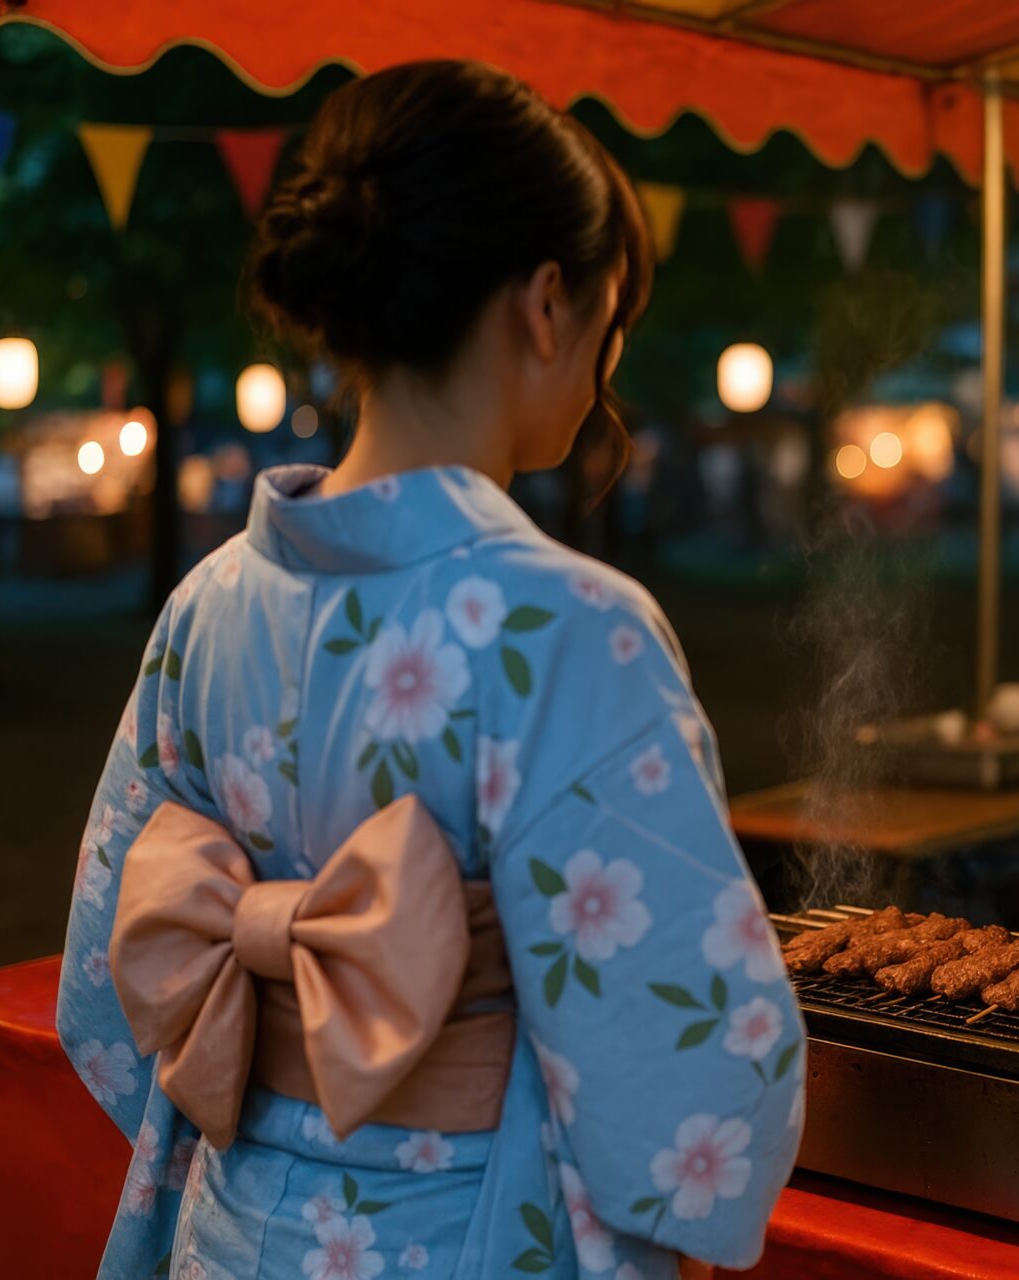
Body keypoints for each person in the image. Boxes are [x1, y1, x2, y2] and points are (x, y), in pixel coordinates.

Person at [58, 61, 802, 1279]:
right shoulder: (570, 629)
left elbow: (110, 981)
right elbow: (694, 1075)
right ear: (549, 304)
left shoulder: (206, 606)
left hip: (233, 1226)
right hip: (468, 1232)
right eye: (611, 322)